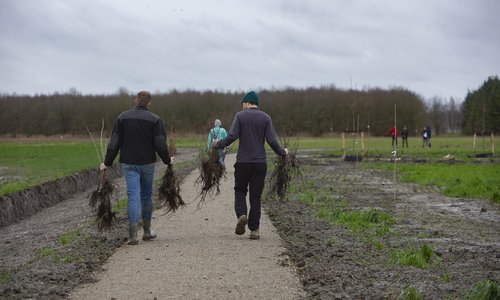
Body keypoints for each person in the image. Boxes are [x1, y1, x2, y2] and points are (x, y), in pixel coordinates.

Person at [100, 91, 172, 245]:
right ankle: (146, 232)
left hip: (129, 163)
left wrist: (107, 162)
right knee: (146, 195)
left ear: (136, 100)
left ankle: (133, 236)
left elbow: (114, 142)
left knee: (133, 196)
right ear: (149, 103)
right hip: (147, 163)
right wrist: (167, 161)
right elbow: (160, 143)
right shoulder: (155, 119)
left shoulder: (122, 118)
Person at [214, 91, 288, 240]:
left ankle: (242, 214)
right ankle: (254, 230)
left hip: (243, 162)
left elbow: (232, 136)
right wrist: (282, 152)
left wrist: (218, 145)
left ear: (248, 103)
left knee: (240, 191)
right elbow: (271, 140)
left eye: (243, 104)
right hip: (260, 163)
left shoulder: (240, 116)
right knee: (255, 196)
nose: (242, 106)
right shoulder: (266, 118)